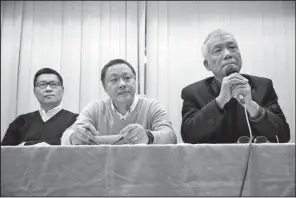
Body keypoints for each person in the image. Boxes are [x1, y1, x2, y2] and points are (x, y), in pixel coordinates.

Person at [181, 29, 290, 144]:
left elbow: (283, 136)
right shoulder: (193, 93)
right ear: (207, 65)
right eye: (217, 50)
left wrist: (252, 106)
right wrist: (220, 101)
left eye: (232, 47)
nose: (228, 54)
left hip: (257, 161)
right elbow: (189, 137)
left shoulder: (263, 86)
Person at [61, 59, 177, 145]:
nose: (122, 84)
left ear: (135, 81)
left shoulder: (152, 106)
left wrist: (149, 136)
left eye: (127, 78)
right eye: (114, 80)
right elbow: (67, 136)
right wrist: (74, 138)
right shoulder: (95, 108)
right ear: (104, 87)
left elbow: (170, 136)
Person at [1, 68, 78, 146]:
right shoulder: (21, 121)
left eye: (54, 84)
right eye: (42, 84)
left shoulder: (76, 121)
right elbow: (4, 153)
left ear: (62, 90)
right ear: (34, 91)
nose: (48, 89)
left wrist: (26, 144)